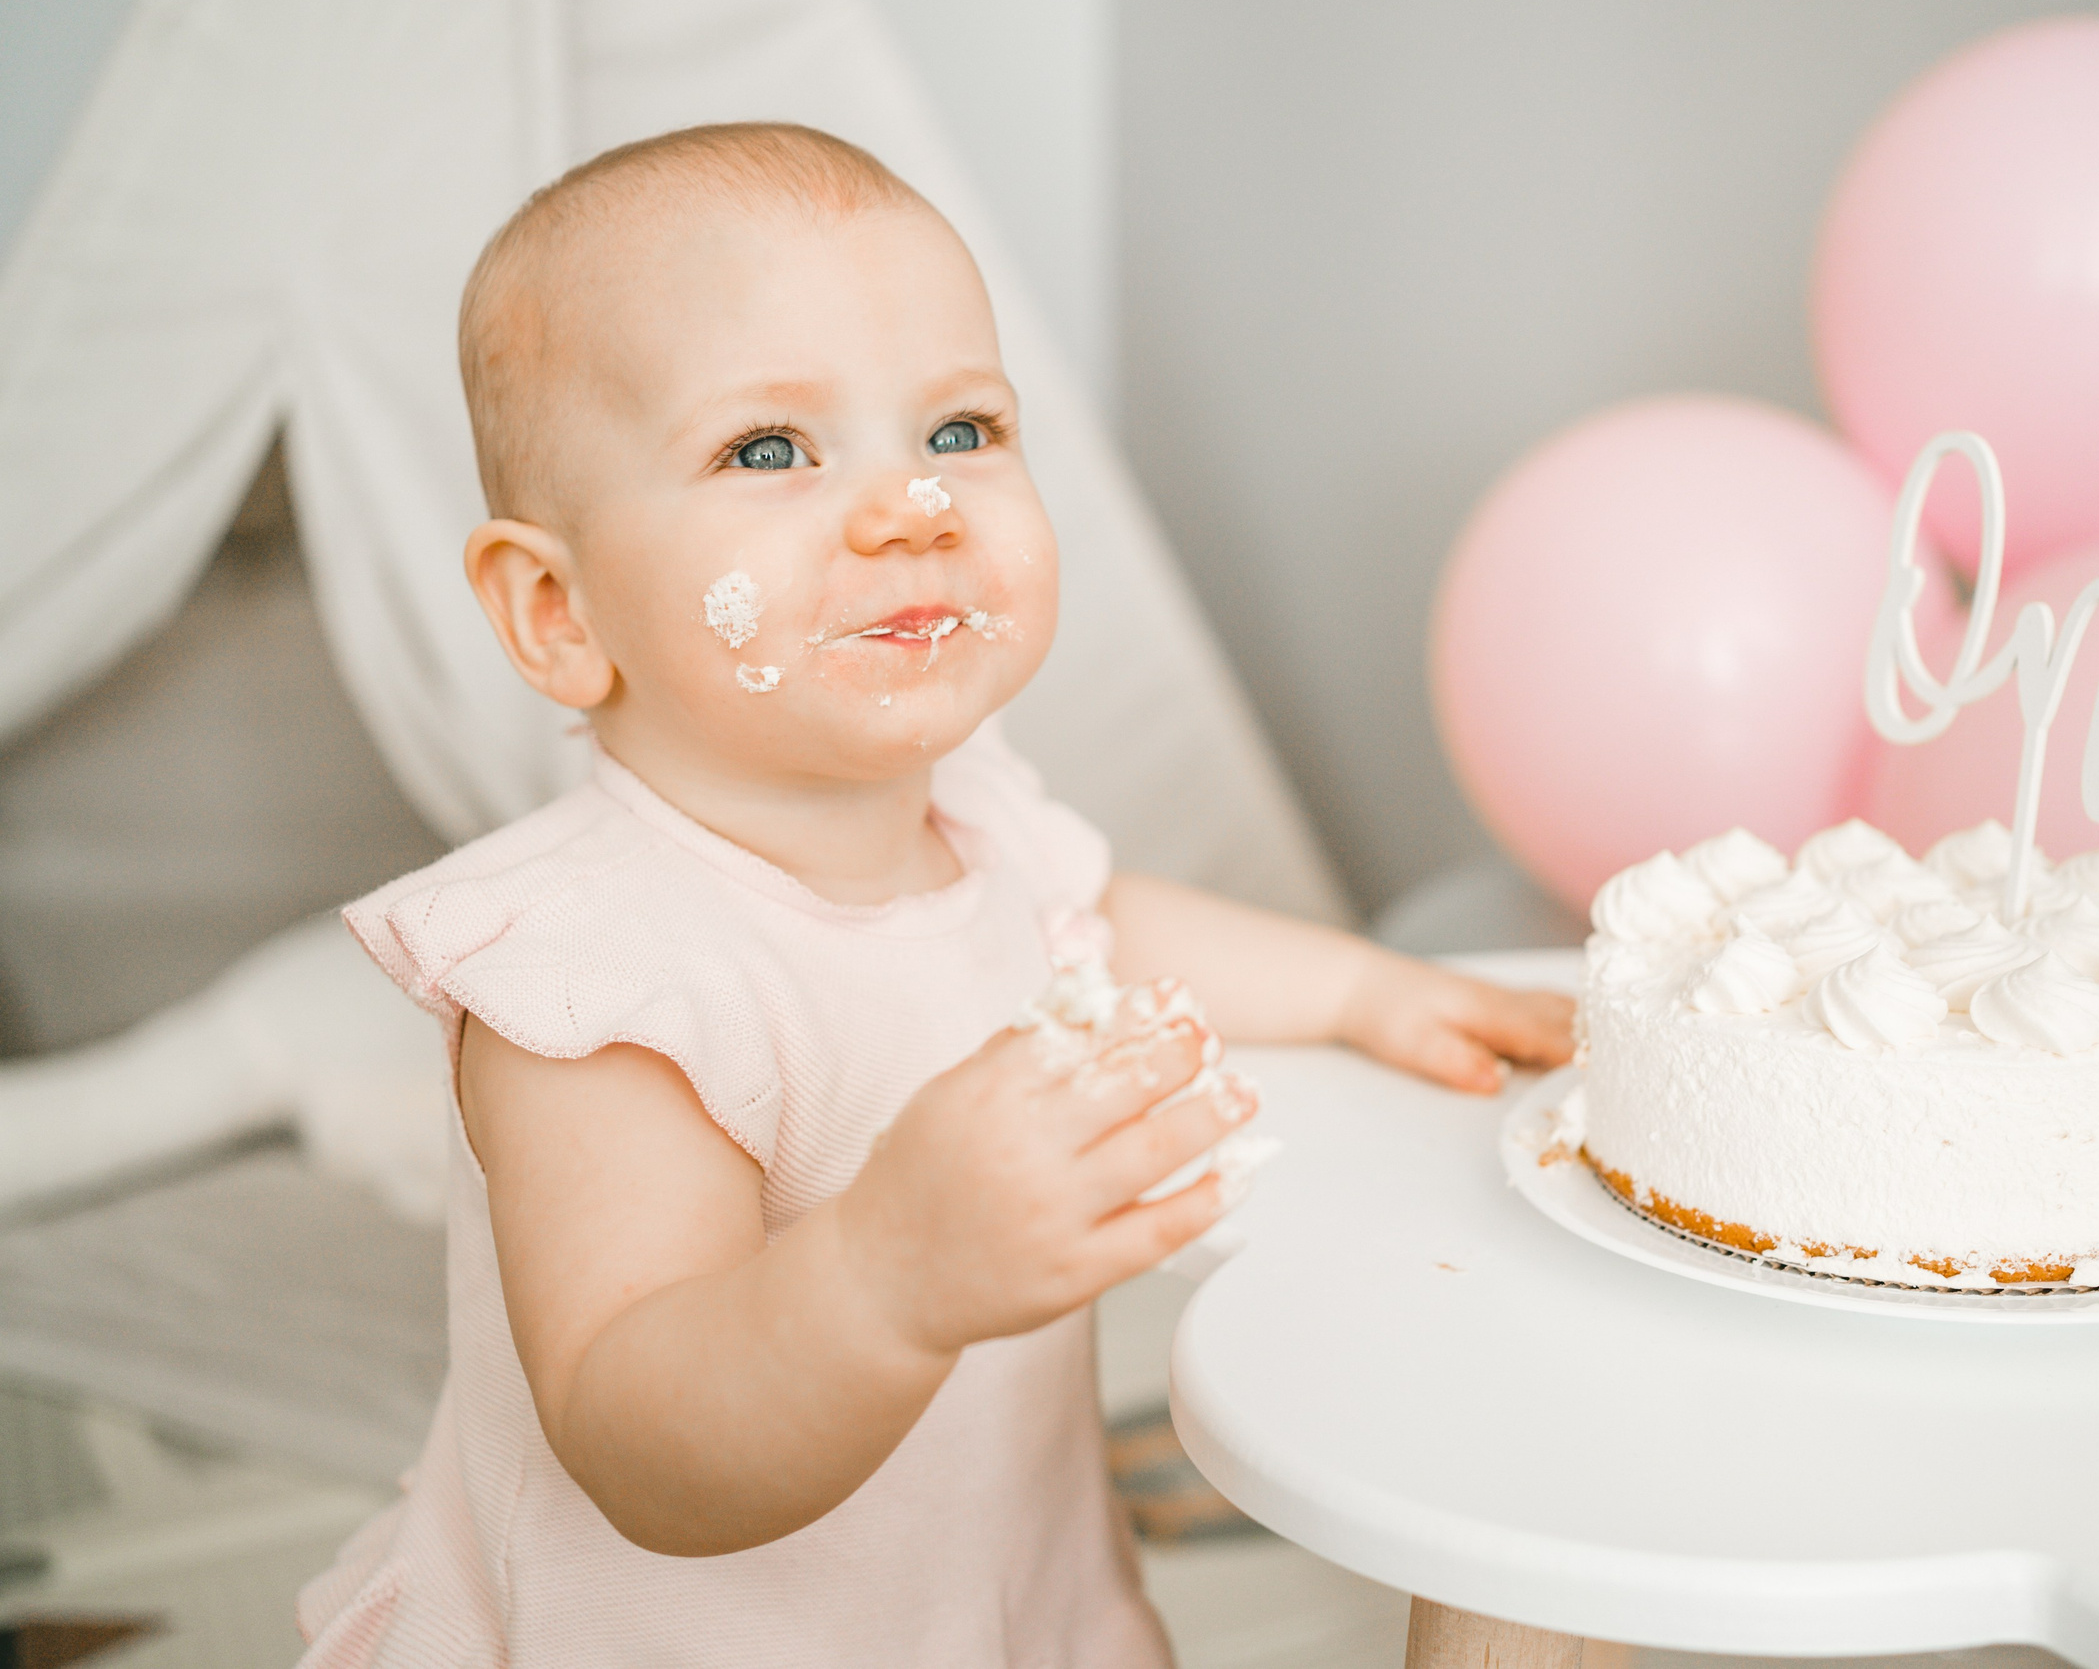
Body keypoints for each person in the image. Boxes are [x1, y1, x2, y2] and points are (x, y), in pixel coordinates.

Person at [298, 121, 1574, 1666]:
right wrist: (883, 1278)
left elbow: (1103, 932)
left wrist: (1365, 989)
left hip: (992, 1599)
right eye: (769, 451)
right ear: (558, 610)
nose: (913, 507)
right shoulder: (597, 981)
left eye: (960, 431)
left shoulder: (977, 822)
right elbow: (637, 1438)